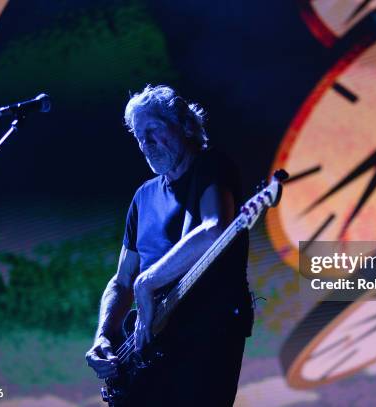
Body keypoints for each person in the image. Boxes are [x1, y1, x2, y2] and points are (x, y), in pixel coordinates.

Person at [85, 85, 253, 406]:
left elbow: (214, 227)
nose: (145, 144)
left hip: (206, 335)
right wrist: (104, 334)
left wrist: (147, 282)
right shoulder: (143, 196)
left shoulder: (211, 166)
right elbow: (122, 281)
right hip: (150, 352)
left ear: (185, 124)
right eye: (138, 136)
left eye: (153, 130)